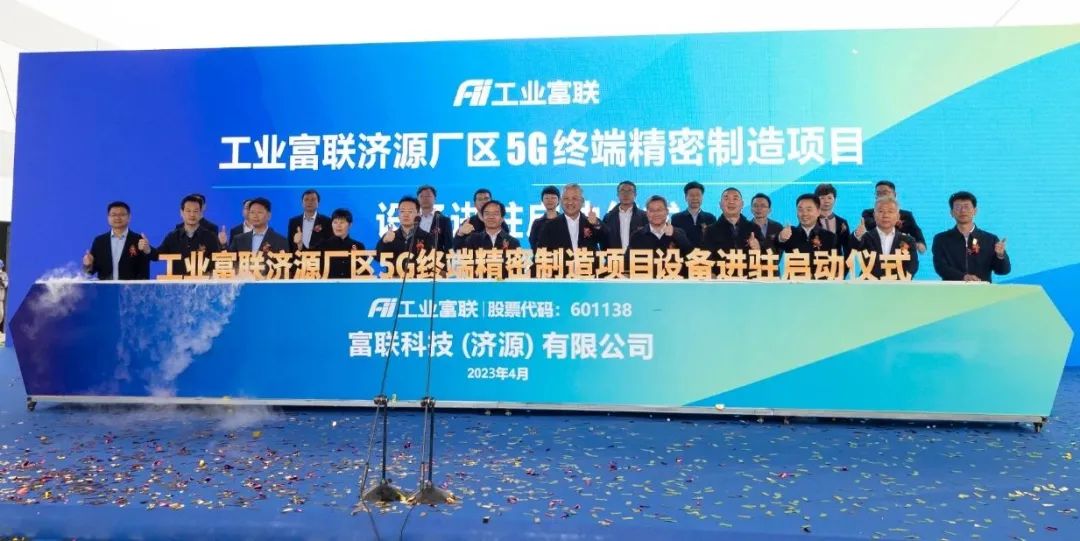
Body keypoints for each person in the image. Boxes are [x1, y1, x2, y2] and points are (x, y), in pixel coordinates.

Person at [932, 191, 1010, 282]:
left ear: (975, 211)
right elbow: (941, 267)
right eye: (958, 207)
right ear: (951, 213)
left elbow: (1003, 271)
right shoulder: (941, 239)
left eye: (966, 206)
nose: (963, 210)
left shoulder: (990, 239)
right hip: (952, 289)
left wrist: (1000, 255)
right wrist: (963, 277)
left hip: (982, 289)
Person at [149, 195, 223, 275]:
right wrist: (147, 249)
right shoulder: (173, 237)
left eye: (195, 211)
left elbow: (218, 261)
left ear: (201, 213)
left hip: (201, 282)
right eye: (188, 211)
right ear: (181, 212)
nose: (192, 214)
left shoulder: (210, 237)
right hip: (177, 282)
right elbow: (157, 255)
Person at [851, 196, 919, 278]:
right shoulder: (865, 237)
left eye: (890, 211)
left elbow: (912, 266)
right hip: (869, 284)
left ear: (898, 216)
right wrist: (857, 236)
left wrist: (894, 281)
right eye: (881, 211)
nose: (885, 215)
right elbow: (851, 250)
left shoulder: (908, 240)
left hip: (898, 285)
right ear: (874, 215)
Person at [83, 201, 151, 280]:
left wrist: (146, 252)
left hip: (130, 287)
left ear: (129, 217)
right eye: (113, 215)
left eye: (122, 214)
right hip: (105, 287)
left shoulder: (138, 240)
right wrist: (88, 264)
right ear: (108, 218)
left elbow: (144, 271)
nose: (117, 218)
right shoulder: (99, 241)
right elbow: (89, 272)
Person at [776, 194, 838, 272]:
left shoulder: (830, 237)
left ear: (818, 212)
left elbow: (834, 266)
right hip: (794, 278)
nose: (804, 214)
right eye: (800, 210)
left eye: (809, 209)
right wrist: (780, 238)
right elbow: (775, 246)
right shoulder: (790, 232)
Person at [536, 183, 606, 252]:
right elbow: (540, 255)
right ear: (560, 201)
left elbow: (606, 240)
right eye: (566, 198)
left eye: (574, 198)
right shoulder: (549, 226)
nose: (570, 202)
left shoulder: (592, 223)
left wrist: (596, 224)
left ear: (582, 202)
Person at [860, 181, 926, 253]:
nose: (881, 196)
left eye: (885, 193)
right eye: (878, 193)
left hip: (899, 252)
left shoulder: (906, 215)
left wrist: (920, 243)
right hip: (875, 252)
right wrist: (892, 222)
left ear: (894, 194)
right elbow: (869, 225)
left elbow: (916, 231)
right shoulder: (868, 213)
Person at [627, 195, 694, 255]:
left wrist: (674, 234)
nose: (656, 213)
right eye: (652, 210)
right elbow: (626, 261)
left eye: (659, 210)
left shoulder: (679, 233)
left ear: (667, 211)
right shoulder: (637, 235)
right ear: (647, 213)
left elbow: (691, 256)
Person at [702, 187, 760, 253]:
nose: (731, 202)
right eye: (726, 199)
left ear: (742, 204)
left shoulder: (754, 228)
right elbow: (705, 257)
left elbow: (766, 256)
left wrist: (757, 249)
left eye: (735, 198)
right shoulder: (710, 231)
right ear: (720, 205)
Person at [313, 208, 366, 279]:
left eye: (342, 222)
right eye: (335, 222)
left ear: (350, 225)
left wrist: (357, 258)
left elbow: (365, 274)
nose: (338, 225)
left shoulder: (359, 246)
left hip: (351, 285)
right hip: (328, 285)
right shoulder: (322, 245)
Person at [376, 196, 434, 260]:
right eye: (402, 211)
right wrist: (384, 242)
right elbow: (377, 258)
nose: (406, 215)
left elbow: (432, 260)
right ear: (398, 215)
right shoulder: (390, 236)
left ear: (418, 214)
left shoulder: (426, 237)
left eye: (410, 211)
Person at [601, 181, 647, 250]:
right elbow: (603, 241)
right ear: (617, 194)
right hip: (615, 256)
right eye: (622, 191)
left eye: (629, 191)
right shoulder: (608, 217)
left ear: (635, 195)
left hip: (638, 256)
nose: (626, 194)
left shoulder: (644, 216)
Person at [670, 181, 717, 248]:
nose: (695, 198)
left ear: (702, 197)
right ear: (686, 197)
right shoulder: (676, 218)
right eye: (691, 195)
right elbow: (673, 241)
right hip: (683, 254)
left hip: (704, 254)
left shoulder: (710, 218)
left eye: (698, 195)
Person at [814, 183, 851, 256]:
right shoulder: (810, 221)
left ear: (835, 199)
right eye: (822, 198)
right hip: (816, 261)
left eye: (829, 198)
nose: (826, 201)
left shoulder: (842, 222)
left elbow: (847, 247)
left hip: (837, 261)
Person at [416, 184, 454, 252]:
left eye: (428, 196)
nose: (425, 198)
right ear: (417, 199)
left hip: (437, 257)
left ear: (435, 199)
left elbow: (449, 246)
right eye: (421, 196)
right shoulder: (415, 220)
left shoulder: (444, 220)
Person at [527, 185, 561, 250]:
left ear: (559, 200)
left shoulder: (565, 221)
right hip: (542, 256)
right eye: (546, 198)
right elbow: (533, 243)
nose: (550, 200)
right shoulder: (537, 223)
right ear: (542, 200)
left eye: (553, 198)